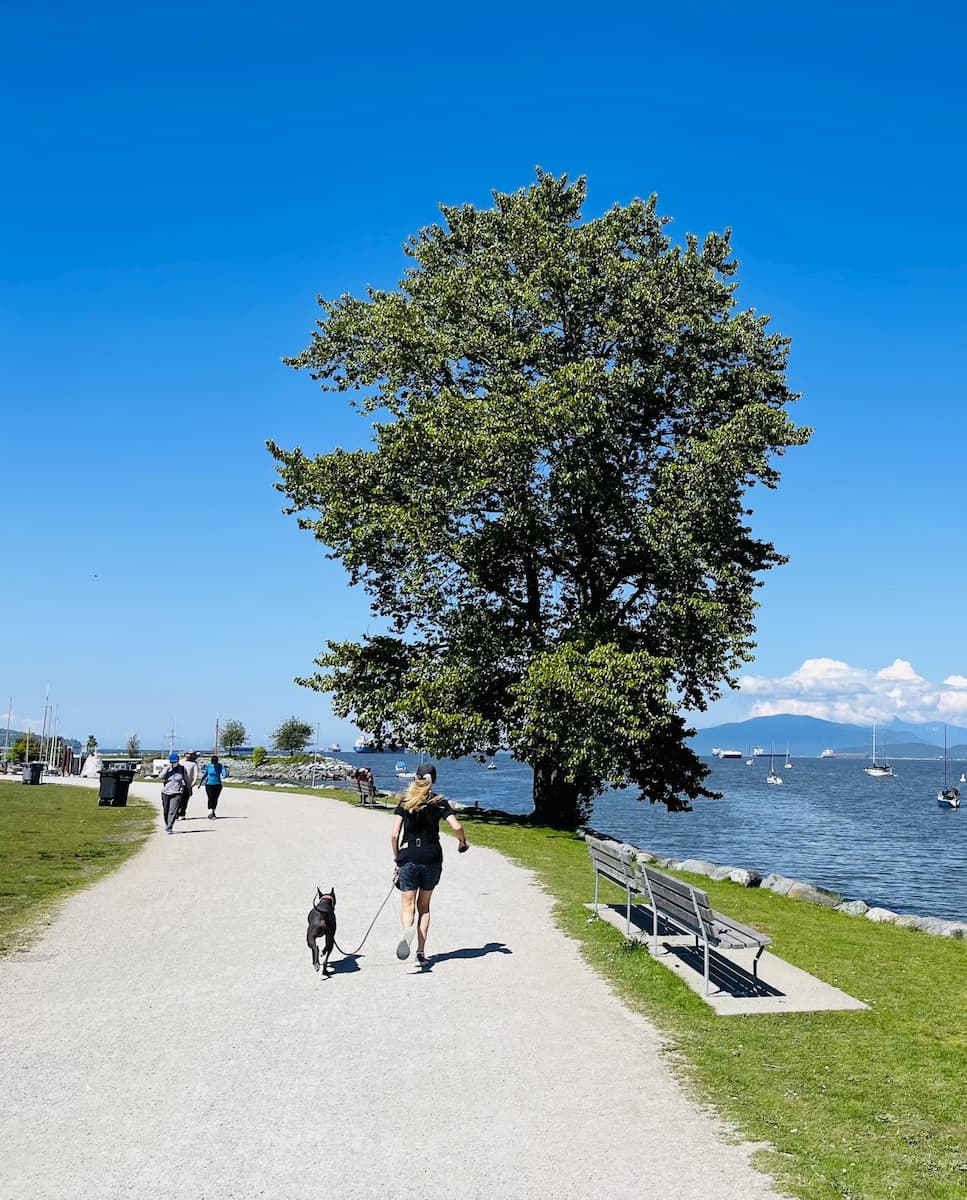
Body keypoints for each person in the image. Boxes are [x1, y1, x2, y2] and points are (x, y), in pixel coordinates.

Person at [390, 763, 468, 966]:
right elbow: (456, 826)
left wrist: (397, 858)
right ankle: (421, 952)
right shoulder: (439, 802)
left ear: (415, 778)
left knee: (408, 905)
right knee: (424, 906)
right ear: (435, 779)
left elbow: (394, 834)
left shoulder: (405, 800)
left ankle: (408, 929)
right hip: (432, 857)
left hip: (408, 856)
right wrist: (462, 841)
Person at [160, 753, 188, 833]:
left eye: (175, 762)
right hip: (166, 792)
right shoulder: (167, 768)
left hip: (177, 792)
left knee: (172, 811)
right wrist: (167, 769)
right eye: (172, 762)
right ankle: (167, 824)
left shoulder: (182, 769)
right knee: (166, 810)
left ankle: (169, 827)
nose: (173, 763)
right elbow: (160, 777)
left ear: (178, 761)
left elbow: (186, 779)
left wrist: (189, 789)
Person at [178, 751, 200, 819]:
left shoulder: (193, 763)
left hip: (188, 784)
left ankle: (182, 813)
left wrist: (194, 782)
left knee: (185, 800)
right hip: (180, 783)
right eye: (188, 754)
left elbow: (196, 773)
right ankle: (176, 813)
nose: (189, 755)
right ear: (185, 754)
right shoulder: (180, 762)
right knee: (178, 799)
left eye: (190, 754)